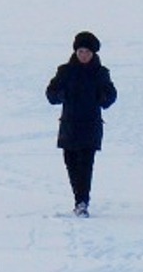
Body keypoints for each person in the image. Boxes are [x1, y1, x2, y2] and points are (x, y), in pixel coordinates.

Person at [46, 31, 117, 218]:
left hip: (91, 126)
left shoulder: (101, 73)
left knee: (86, 165)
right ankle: (79, 197)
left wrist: (104, 98)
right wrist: (59, 95)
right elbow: (51, 93)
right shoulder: (65, 71)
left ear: (93, 53)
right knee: (71, 164)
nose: (83, 55)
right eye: (80, 51)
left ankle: (82, 201)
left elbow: (111, 95)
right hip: (69, 125)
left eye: (87, 52)